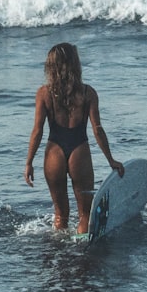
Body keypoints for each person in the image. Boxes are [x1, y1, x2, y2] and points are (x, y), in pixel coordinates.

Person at [25, 43, 124, 233]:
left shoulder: (43, 94)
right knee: (85, 215)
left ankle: (62, 254)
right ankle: (82, 255)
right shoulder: (88, 93)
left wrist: (29, 162)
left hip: (54, 153)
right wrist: (111, 160)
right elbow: (98, 130)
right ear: (75, 64)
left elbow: (37, 131)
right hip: (80, 151)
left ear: (51, 67)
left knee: (60, 214)